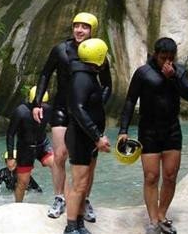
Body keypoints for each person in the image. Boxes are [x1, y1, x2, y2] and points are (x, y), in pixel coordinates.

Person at [32, 12, 112, 221]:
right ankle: (60, 197)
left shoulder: (98, 53)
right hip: (62, 109)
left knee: (89, 160)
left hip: (86, 113)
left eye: (84, 27)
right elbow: (45, 74)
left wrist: (96, 106)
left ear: (92, 30)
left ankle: (84, 199)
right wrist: (37, 103)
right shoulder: (61, 50)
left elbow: (108, 85)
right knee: (60, 154)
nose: (79, 30)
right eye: (76, 26)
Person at [118, 37, 188, 234]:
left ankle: (162, 215)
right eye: (163, 58)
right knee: (151, 176)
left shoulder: (179, 71)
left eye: (171, 58)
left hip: (172, 130)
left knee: (170, 176)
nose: (167, 62)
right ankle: (152, 220)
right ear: (155, 55)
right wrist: (123, 130)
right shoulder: (143, 73)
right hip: (149, 130)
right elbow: (129, 101)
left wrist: (174, 77)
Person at [63, 38, 112, 234]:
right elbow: (77, 109)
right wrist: (97, 136)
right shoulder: (82, 77)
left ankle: (80, 222)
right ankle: (71, 226)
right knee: (79, 185)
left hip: (88, 137)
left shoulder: (87, 75)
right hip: (80, 137)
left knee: (85, 184)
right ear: (98, 57)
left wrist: (96, 136)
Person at [5, 86, 54, 202]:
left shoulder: (48, 109)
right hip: (25, 149)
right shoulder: (21, 112)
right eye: (39, 103)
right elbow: (10, 134)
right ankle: (18, 205)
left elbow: (57, 126)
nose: (42, 106)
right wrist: (11, 157)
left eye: (44, 103)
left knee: (57, 164)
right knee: (23, 182)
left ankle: (61, 198)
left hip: (42, 145)